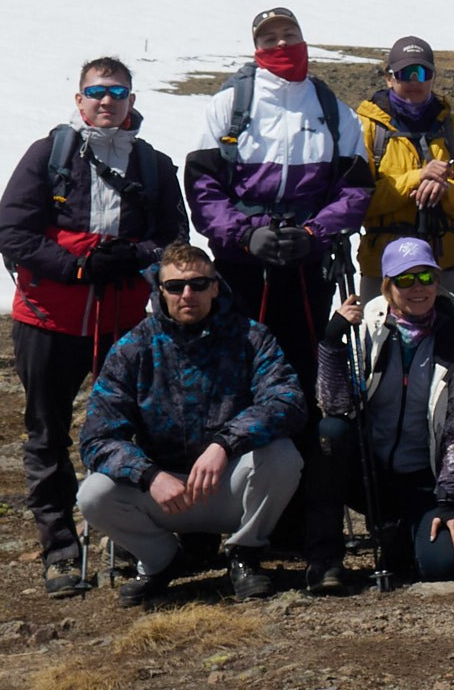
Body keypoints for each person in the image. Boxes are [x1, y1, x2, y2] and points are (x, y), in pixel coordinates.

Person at [0, 57, 189, 596]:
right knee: (48, 433)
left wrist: (127, 258)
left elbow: (174, 238)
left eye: (118, 91)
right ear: (79, 100)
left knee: (129, 428)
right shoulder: (49, 155)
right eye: (97, 91)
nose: (107, 100)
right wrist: (82, 263)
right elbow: (10, 232)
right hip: (48, 319)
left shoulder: (152, 164)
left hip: (122, 320)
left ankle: (127, 536)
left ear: (131, 100)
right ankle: (59, 549)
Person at [76, 243, 306, 605]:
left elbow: (287, 401)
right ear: (160, 291)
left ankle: (244, 554)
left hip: (229, 484)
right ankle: (160, 560)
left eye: (199, 284)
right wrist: (148, 475)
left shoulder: (251, 337)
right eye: (175, 286)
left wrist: (224, 444)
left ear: (216, 286)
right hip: (163, 494)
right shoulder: (132, 348)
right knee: (93, 493)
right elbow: (97, 438)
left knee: (282, 456)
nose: (188, 294)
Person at [182, 6, 371, 397]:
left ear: (304, 40)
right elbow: (203, 188)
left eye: (289, 34)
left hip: (309, 265)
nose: (281, 43)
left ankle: (301, 451)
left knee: (305, 366)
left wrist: (314, 233)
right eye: (270, 38)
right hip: (241, 267)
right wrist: (246, 236)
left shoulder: (335, 111)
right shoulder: (228, 105)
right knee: (236, 365)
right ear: (256, 48)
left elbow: (355, 190)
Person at [305, 237, 454, 590]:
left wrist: (447, 502)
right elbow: (337, 406)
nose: (417, 288)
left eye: (426, 278)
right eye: (404, 279)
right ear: (387, 285)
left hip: (424, 480)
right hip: (369, 474)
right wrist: (331, 345)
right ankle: (325, 558)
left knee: (445, 564)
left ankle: (402, 536)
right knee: (330, 432)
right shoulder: (367, 327)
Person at [355, 36, 454, 297]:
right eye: (405, 73)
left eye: (422, 72)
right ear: (389, 77)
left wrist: (444, 187)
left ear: (433, 76)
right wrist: (416, 178)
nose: (415, 81)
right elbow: (358, 202)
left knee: (442, 337)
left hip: (439, 267)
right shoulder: (366, 127)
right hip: (383, 269)